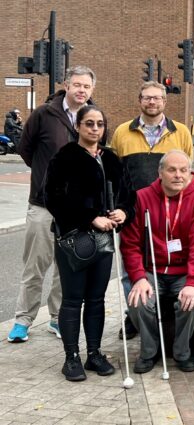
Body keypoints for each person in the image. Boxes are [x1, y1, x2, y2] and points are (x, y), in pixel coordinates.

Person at [44, 105, 134, 381]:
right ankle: (71, 357)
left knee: (96, 299)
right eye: (89, 124)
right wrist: (90, 218)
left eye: (100, 124)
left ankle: (94, 353)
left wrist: (123, 211)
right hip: (74, 238)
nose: (95, 129)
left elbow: (127, 193)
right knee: (72, 299)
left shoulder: (111, 158)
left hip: (104, 240)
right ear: (79, 127)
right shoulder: (65, 157)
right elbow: (53, 197)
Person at [9, 66, 96, 343]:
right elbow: (25, 149)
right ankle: (23, 320)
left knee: (66, 267)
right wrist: (45, 175)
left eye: (87, 86)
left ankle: (58, 318)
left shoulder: (92, 118)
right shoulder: (44, 114)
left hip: (76, 210)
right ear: (66, 85)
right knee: (35, 265)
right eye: (77, 85)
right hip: (43, 205)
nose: (82, 90)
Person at [110, 80, 194, 340]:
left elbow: (187, 172)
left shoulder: (180, 132)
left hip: (169, 212)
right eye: (147, 97)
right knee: (130, 268)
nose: (152, 102)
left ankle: (162, 316)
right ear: (139, 100)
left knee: (163, 262)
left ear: (165, 102)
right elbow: (114, 173)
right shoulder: (122, 132)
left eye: (157, 98)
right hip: (133, 212)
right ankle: (134, 317)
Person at [121, 150, 194, 374]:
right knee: (138, 300)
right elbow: (130, 245)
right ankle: (149, 351)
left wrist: (193, 282)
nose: (178, 175)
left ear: (189, 173)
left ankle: (181, 351)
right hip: (153, 270)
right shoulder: (141, 198)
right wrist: (139, 278)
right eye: (172, 170)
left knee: (192, 302)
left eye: (183, 170)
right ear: (160, 172)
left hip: (183, 272)